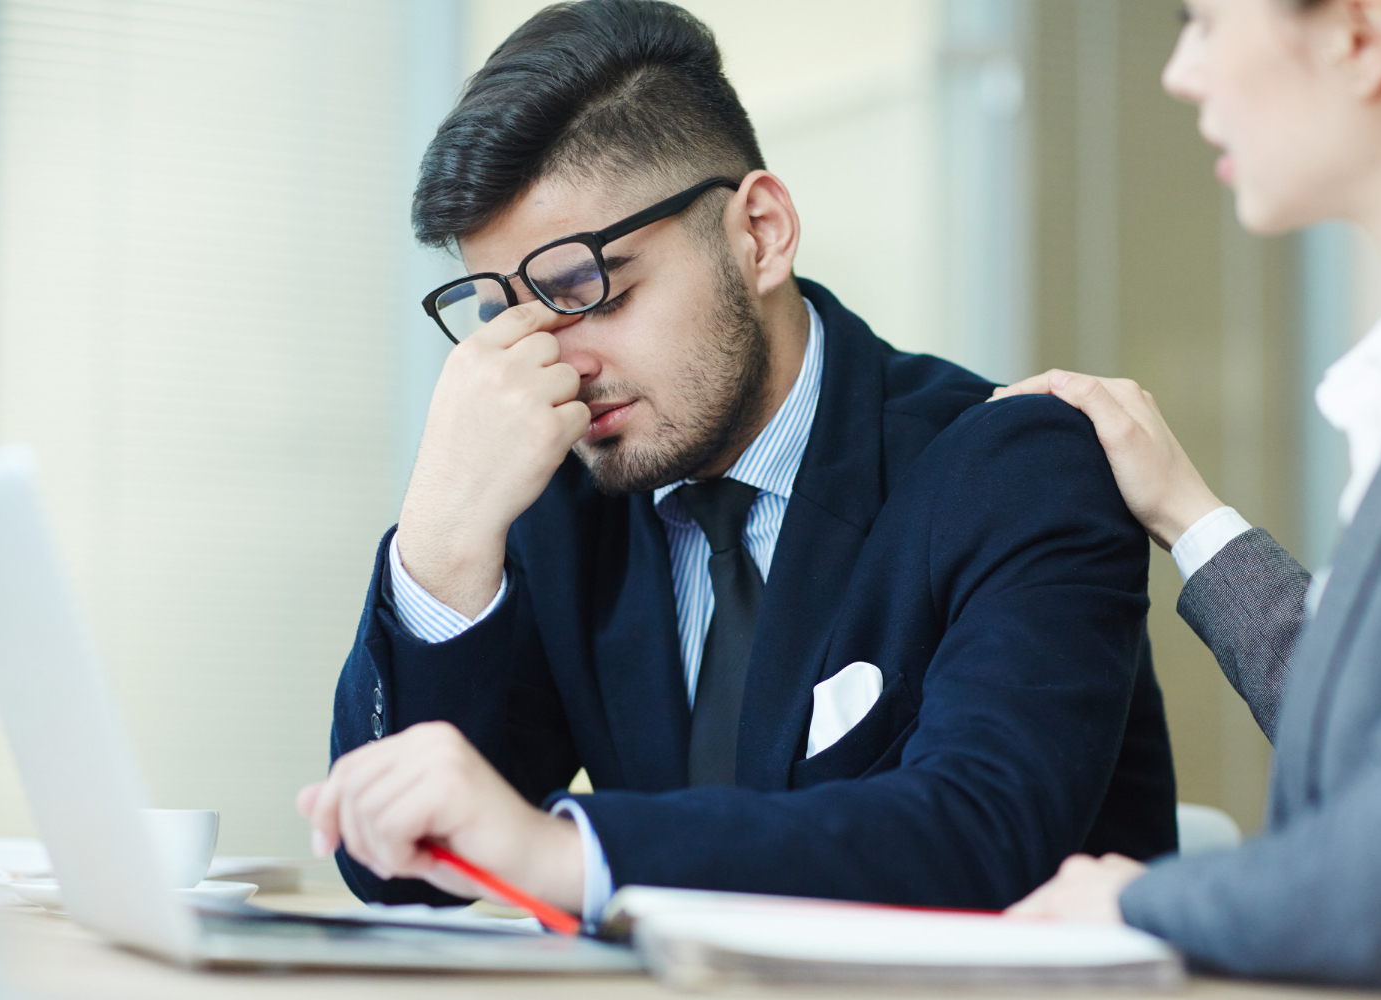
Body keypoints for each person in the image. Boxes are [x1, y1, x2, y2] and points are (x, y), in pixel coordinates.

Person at [295, 0, 1177, 922]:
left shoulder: (1015, 468)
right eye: (505, 317)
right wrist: (442, 531)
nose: (556, 363)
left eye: (590, 292)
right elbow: (394, 867)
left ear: (759, 231)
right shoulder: (564, 499)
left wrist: (567, 854)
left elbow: (983, 836)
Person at [999, 0, 1381, 987]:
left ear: (1362, 37)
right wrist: (1186, 511)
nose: (1180, 72)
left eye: (1204, 21)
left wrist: (1131, 898)